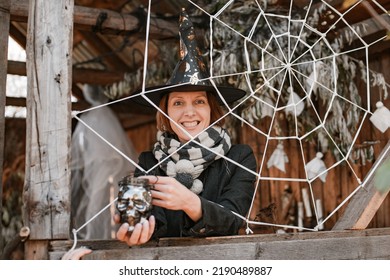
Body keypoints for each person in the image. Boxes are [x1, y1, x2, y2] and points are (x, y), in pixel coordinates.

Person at [115, 8, 257, 246]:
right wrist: (135, 227)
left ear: (211, 110)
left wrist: (189, 202)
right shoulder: (150, 163)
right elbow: (149, 220)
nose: (189, 112)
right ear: (166, 113)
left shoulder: (239, 158)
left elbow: (234, 219)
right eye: (178, 103)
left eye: (199, 101)